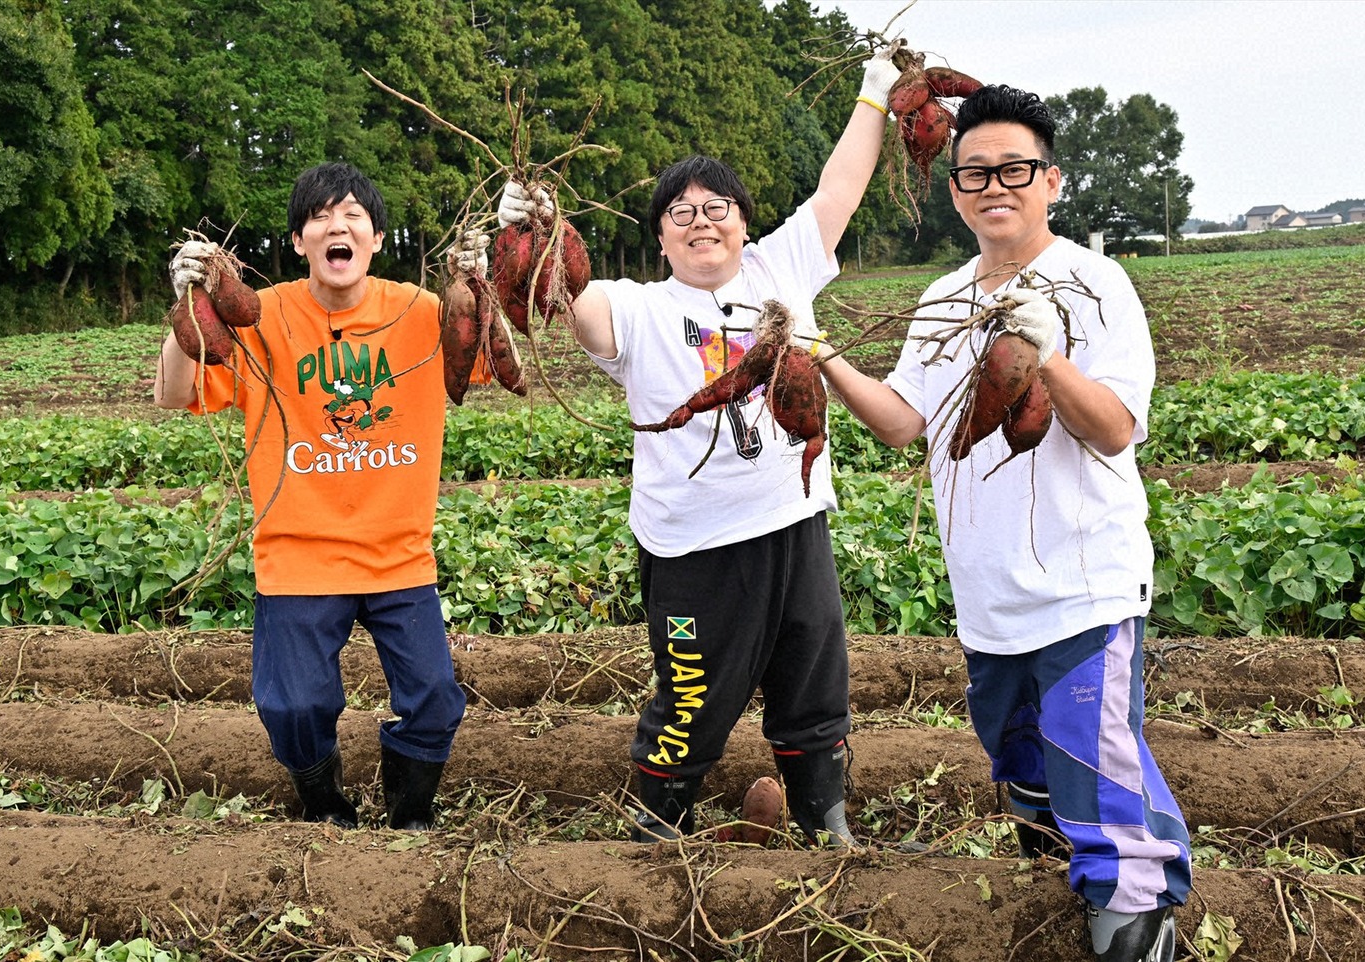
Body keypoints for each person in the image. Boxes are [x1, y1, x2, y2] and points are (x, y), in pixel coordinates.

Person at [496, 48, 907, 848]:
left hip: (794, 526)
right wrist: (535, 230)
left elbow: (838, 191)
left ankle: (829, 827)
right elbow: (569, 301)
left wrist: (874, 94)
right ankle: (659, 830)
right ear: (660, 241)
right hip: (694, 545)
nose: (701, 220)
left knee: (814, 683)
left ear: (745, 223)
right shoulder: (637, 307)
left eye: (717, 205)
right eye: (679, 212)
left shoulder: (778, 269)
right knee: (690, 699)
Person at [817, 86, 1190, 960]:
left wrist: (1044, 352)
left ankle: (1136, 924)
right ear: (953, 190)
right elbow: (907, 422)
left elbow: (1115, 429)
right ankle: (1059, 914)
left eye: (1015, 169)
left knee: (1095, 776)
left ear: (1051, 180)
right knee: (1024, 771)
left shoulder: (1096, 284)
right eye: (975, 172)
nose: (996, 186)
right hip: (986, 592)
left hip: (1081, 588)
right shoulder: (944, 297)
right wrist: (821, 353)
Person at [154, 161, 478, 831]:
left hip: (397, 552)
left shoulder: (419, 313)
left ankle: (409, 811)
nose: (339, 225)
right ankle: (325, 804)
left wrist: (482, 280)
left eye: (354, 214)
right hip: (298, 552)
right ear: (299, 241)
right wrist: (187, 306)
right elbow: (173, 393)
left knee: (437, 700)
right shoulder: (261, 316)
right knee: (292, 707)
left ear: (378, 237)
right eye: (321, 217)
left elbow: (489, 362)